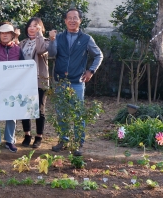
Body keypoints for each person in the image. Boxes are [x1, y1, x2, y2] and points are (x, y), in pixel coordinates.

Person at [48, 8, 103, 156]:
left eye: (75, 18)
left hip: (77, 82)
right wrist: (52, 41)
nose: (72, 20)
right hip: (60, 81)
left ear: (80, 21)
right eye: (69, 18)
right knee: (61, 113)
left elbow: (99, 55)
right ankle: (64, 140)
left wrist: (91, 70)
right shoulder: (58, 37)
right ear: (65, 21)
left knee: (78, 113)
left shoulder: (86, 39)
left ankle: (79, 143)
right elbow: (52, 54)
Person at [0, 22, 24, 152]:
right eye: (2, 33)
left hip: (13, 87)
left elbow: (24, 67)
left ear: (12, 35)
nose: (5, 35)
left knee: (12, 114)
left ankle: (10, 140)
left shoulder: (18, 49)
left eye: (7, 33)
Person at [19, 17, 50, 148]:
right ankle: (27, 135)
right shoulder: (23, 42)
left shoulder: (46, 42)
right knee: (24, 107)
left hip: (39, 79)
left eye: (35, 25)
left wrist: (39, 35)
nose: (32, 28)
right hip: (24, 80)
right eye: (30, 26)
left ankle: (39, 136)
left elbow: (40, 50)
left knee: (39, 109)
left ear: (41, 28)